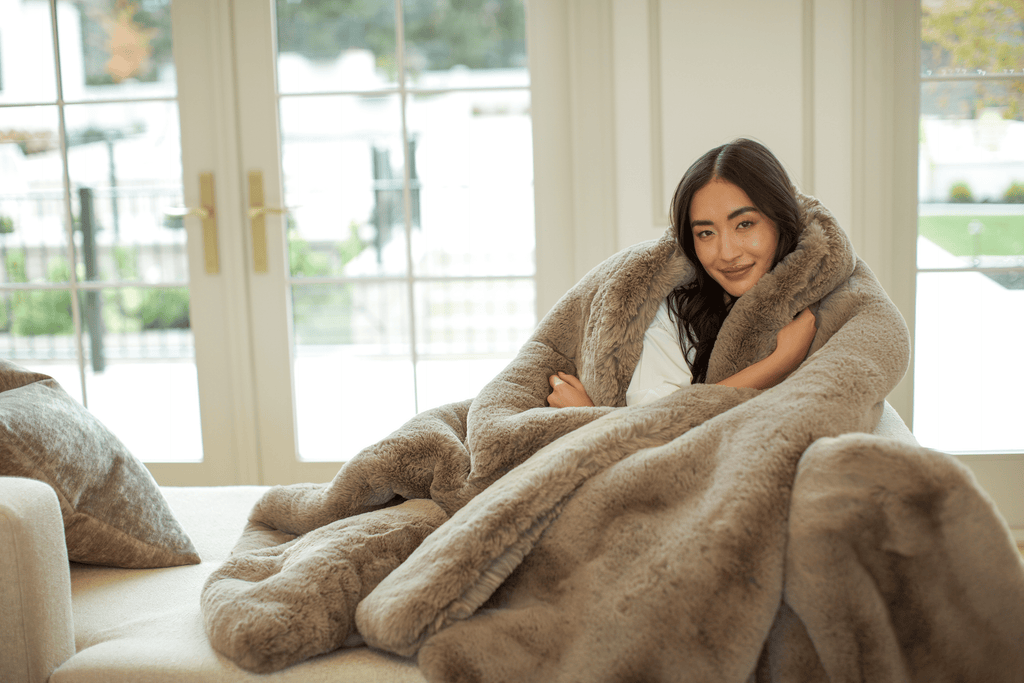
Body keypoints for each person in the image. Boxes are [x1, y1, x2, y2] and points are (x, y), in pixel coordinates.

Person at [548, 138, 818, 408]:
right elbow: (655, 421)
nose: (726, 253)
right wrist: (779, 363)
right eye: (706, 233)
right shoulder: (674, 311)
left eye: (744, 224)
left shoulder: (828, 297)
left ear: (780, 220)